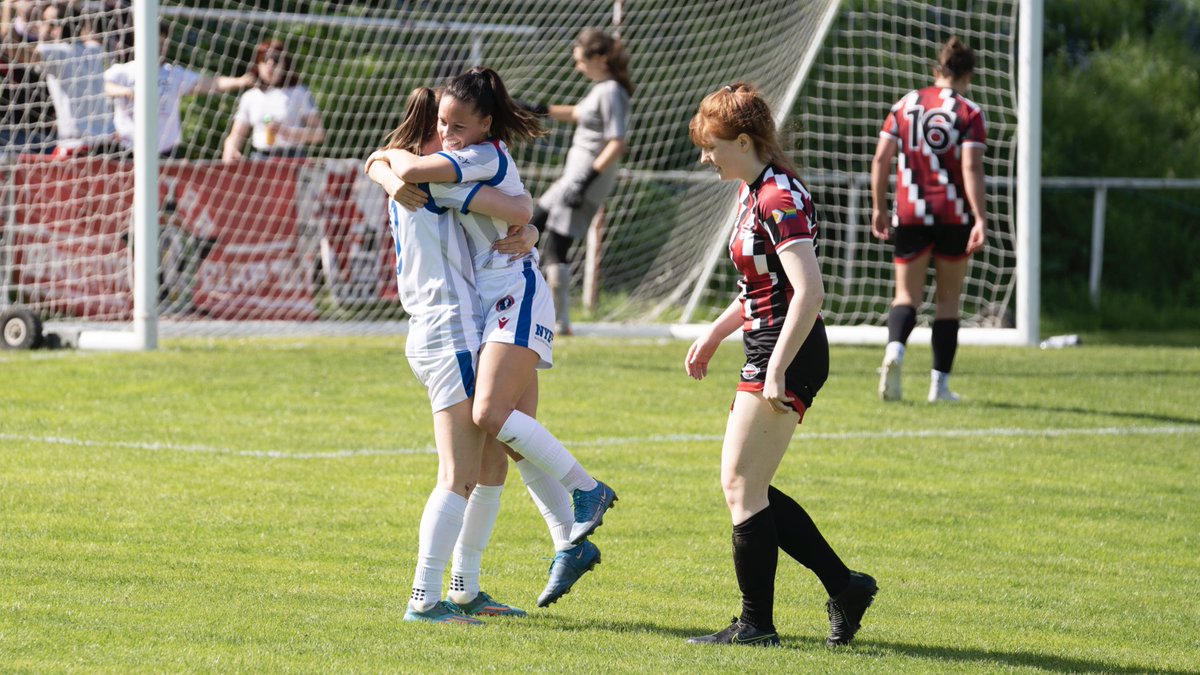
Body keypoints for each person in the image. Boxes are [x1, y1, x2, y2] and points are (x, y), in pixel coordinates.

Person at [371, 67, 617, 616]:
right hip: (454, 326)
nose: (451, 138)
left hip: (465, 319)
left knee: (498, 455)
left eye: (459, 126)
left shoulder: (446, 170)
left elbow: (517, 210)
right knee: (465, 467)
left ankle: (472, 586)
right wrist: (525, 225)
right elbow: (519, 208)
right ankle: (426, 597)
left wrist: (382, 169)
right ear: (430, 134)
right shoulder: (434, 177)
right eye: (444, 127)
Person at [683, 83, 877, 648]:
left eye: (711, 145)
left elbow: (808, 292)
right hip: (768, 343)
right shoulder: (753, 191)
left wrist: (775, 370)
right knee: (749, 485)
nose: (705, 157)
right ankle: (845, 588)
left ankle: (757, 625)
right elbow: (759, 289)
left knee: (741, 484)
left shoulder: (777, 197)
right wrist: (715, 334)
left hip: (788, 350)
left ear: (744, 140)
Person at [871, 36, 988, 403]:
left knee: (906, 296)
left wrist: (878, 206)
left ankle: (895, 353)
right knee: (948, 301)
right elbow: (970, 167)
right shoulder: (969, 112)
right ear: (967, 74)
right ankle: (939, 386)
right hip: (953, 215)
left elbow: (881, 159)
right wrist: (981, 217)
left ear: (937, 69)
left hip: (910, 213)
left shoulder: (906, 104)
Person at [522, 28, 632, 336]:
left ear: (598, 58)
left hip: (584, 180)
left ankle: (560, 323)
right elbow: (576, 113)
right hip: (574, 177)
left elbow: (616, 143)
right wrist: (538, 109)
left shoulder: (611, 91)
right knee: (533, 223)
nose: (577, 66)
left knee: (554, 244)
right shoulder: (601, 89)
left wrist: (585, 181)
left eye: (580, 60)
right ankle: (545, 314)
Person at [104, 24, 253, 158]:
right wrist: (125, 91)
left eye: (163, 43)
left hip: (166, 151)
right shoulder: (124, 70)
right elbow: (101, 85)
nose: (160, 48)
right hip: (128, 148)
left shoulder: (173, 74)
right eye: (155, 43)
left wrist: (240, 81)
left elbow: (209, 83)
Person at [7, 2, 114, 157]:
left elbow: (10, 48)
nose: (39, 25)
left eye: (44, 21)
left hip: (76, 147)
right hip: (107, 143)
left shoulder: (56, 53)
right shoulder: (94, 49)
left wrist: (8, 8)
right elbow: (85, 28)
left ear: (56, 30)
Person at [221, 39, 324, 161]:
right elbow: (236, 135)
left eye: (275, 60)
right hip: (260, 159)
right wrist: (230, 149)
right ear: (258, 64)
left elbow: (319, 134)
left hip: (293, 158)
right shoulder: (250, 96)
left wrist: (287, 132)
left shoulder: (299, 92)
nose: (270, 64)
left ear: (285, 64)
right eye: (264, 59)